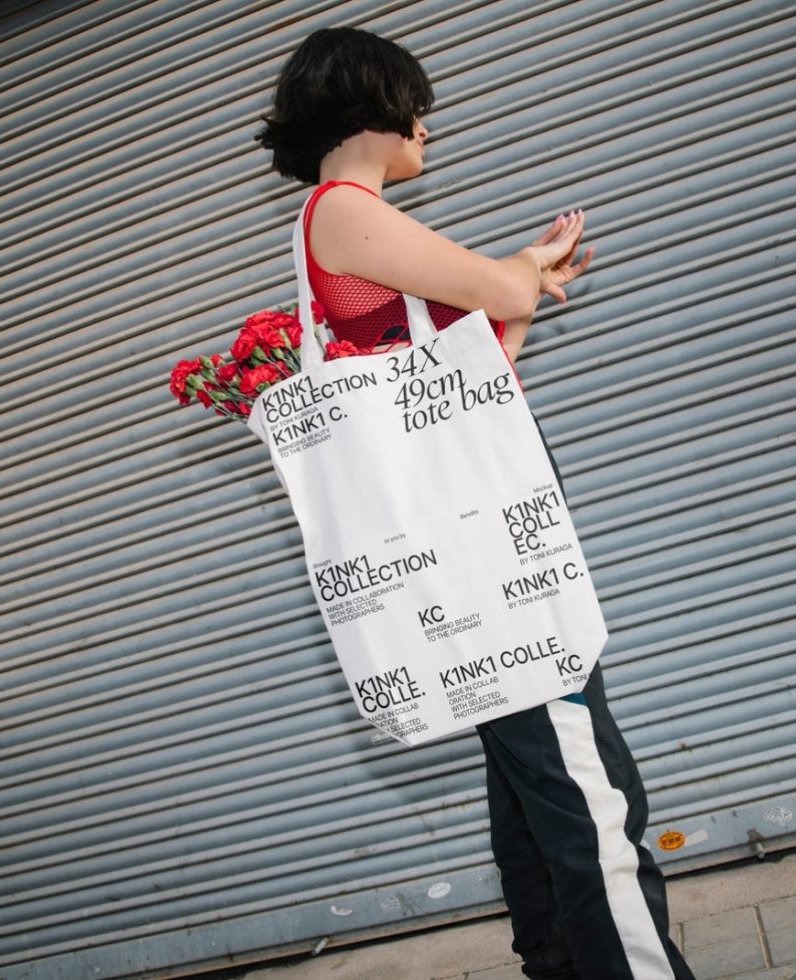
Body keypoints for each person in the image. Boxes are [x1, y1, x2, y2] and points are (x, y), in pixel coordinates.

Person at [257, 27, 696, 980]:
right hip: (485, 551)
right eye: (416, 107)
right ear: (373, 106)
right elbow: (495, 288)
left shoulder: (347, 226)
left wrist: (520, 288)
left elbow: (475, 376)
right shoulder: (344, 209)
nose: (426, 127)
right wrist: (521, 274)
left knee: (532, 785)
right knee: (588, 789)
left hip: (469, 529)